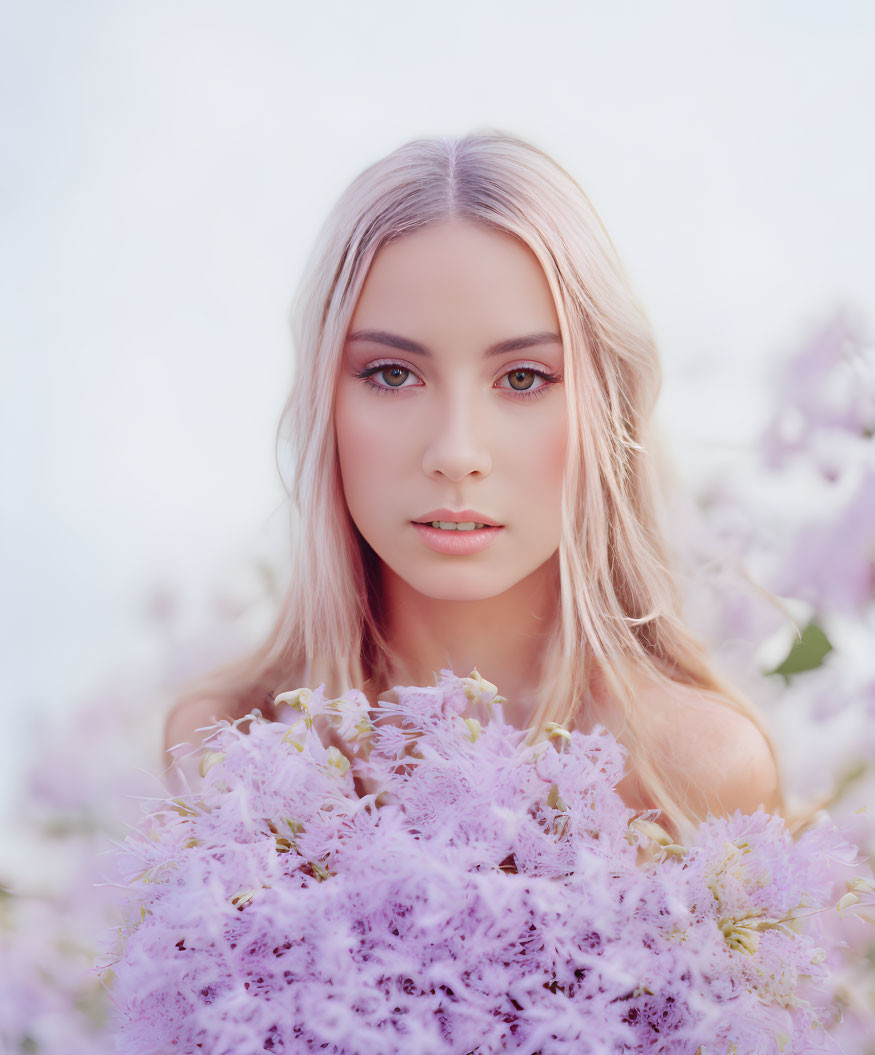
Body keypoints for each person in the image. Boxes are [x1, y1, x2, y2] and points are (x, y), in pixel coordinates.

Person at [163, 129, 781, 838]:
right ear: (321, 403)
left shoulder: (691, 770)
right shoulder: (227, 752)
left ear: (606, 410)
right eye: (391, 374)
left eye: (522, 378)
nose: (455, 453)